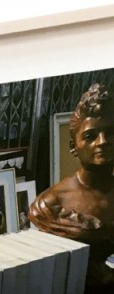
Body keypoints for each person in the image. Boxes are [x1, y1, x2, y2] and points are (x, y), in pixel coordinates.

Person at [29, 83, 114, 278]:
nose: (103, 142)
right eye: (90, 136)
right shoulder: (50, 204)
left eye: (110, 133)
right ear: (73, 147)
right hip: (71, 286)